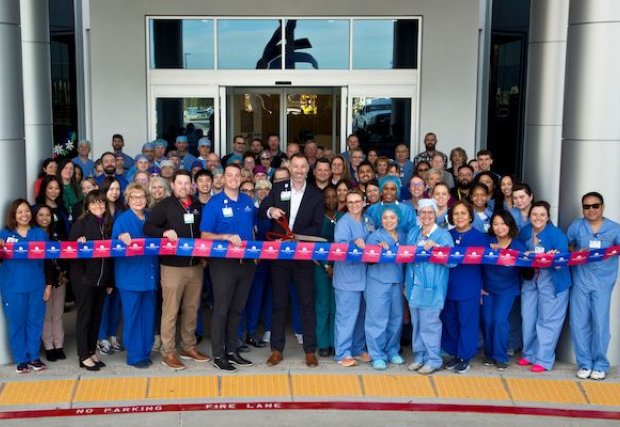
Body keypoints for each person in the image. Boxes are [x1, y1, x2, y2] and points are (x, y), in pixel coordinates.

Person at [258, 153, 324, 367]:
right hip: (281, 256)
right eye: (295, 166)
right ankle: (276, 350)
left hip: (303, 255)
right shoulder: (278, 189)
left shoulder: (316, 194)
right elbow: (261, 209)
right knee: (279, 303)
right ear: (290, 168)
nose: (299, 170)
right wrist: (270, 210)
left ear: (308, 169)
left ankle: (310, 350)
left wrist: (297, 238)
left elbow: (317, 226)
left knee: (307, 303)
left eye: (303, 166)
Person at [144, 170, 210, 370]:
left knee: (191, 310)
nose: (183, 187)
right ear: (172, 185)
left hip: (195, 266)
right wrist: (164, 232)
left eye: (186, 183)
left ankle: (188, 347)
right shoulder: (164, 206)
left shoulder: (198, 205)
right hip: (172, 267)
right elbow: (148, 228)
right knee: (171, 311)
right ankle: (168, 352)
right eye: (179, 183)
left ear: (192, 186)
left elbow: (203, 232)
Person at [200, 164, 257, 371]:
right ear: (223, 178)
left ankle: (232, 350)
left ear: (241, 178)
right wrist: (225, 237)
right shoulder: (214, 204)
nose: (234, 178)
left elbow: (251, 229)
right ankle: (218, 354)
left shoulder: (247, 201)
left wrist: (255, 255)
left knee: (237, 309)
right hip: (223, 264)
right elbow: (205, 235)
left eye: (237, 175)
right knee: (222, 309)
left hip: (246, 264)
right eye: (229, 175)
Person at [568, 192, 620, 380]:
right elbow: (568, 246)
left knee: (600, 323)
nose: (591, 210)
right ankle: (584, 363)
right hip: (581, 280)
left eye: (595, 206)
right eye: (586, 207)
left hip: (603, 283)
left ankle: (600, 363)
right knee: (578, 323)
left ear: (602, 207)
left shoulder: (614, 229)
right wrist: (576, 252)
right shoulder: (577, 226)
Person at [518, 201, 571, 372]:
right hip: (531, 279)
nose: (538, 218)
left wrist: (553, 258)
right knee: (528, 316)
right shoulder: (525, 231)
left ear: (548, 217)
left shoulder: (557, 235)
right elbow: (518, 252)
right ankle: (529, 354)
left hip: (553, 281)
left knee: (548, 320)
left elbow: (561, 264)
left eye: (542, 215)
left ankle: (543, 359)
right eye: (534, 214)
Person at [0, 200, 50, 373]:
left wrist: (48, 285)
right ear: (13, 215)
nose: (24, 215)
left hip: (36, 285)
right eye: (20, 212)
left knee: (35, 322)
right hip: (12, 287)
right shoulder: (4, 235)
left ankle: (34, 357)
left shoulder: (39, 234)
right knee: (16, 323)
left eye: (27, 211)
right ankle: (21, 359)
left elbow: (48, 262)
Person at [406, 199, 454, 375]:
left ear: (435, 215)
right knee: (417, 323)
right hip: (413, 286)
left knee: (430, 324)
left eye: (430, 213)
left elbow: (452, 262)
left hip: (432, 288)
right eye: (423, 212)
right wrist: (406, 284)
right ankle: (419, 357)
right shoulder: (413, 233)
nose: (426, 216)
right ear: (418, 214)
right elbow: (407, 259)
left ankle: (433, 359)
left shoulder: (442, 236)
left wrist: (437, 249)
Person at [112, 183, 158, 368]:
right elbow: (113, 247)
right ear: (128, 200)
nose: (138, 200)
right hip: (130, 278)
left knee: (148, 316)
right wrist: (119, 238)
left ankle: (145, 351)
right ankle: (135, 355)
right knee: (132, 317)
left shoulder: (151, 218)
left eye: (141, 196)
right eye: (134, 197)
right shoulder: (122, 220)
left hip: (150, 275)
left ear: (147, 199)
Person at [69, 190, 114, 371]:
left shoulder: (108, 224)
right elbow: (70, 253)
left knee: (96, 317)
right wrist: (78, 245)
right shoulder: (80, 224)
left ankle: (91, 350)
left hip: (102, 279)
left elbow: (111, 256)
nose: (98, 206)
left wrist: (110, 281)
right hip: (84, 279)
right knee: (85, 317)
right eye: (94, 203)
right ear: (87, 206)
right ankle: (83, 355)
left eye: (101, 202)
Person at [442, 200, 488, 374]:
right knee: (450, 321)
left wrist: (482, 286)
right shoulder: (447, 235)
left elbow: (486, 264)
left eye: (463, 213)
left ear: (470, 216)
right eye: (456, 213)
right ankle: (454, 353)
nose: (459, 216)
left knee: (467, 322)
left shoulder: (479, 237)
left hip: (469, 286)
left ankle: (464, 357)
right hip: (449, 285)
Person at [481, 211, 526, 370]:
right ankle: (489, 354)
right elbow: (476, 264)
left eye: (503, 224)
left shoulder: (518, 244)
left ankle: (500, 356)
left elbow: (527, 270)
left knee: (500, 321)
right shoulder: (486, 242)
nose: (499, 228)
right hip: (487, 288)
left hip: (508, 289)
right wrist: (479, 286)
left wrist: (528, 258)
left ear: (509, 225)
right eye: (495, 224)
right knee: (487, 321)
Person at [364, 205, 405, 370]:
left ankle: (392, 350)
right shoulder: (375, 237)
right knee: (377, 320)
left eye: (392, 217)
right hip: (377, 283)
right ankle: (377, 354)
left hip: (397, 282)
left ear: (398, 219)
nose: (389, 221)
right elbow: (369, 260)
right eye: (385, 218)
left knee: (396, 318)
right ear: (380, 220)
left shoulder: (403, 236)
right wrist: (379, 252)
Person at [333, 190, 371, 367]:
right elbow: (339, 249)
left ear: (364, 203)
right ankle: (342, 353)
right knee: (346, 316)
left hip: (366, 278)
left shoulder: (367, 221)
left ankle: (357, 348)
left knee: (361, 316)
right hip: (347, 279)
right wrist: (353, 244)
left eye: (357, 201)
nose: (354, 205)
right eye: (350, 202)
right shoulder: (343, 223)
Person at [35, 205, 69, 362]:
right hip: (41, 280)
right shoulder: (34, 235)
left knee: (58, 314)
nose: (44, 218)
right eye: (41, 215)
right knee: (46, 315)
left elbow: (66, 255)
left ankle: (59, 345)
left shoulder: (58, 234)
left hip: (59, 279)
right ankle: (49, 346)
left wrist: (64, 273)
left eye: (47, 215)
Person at [315, 186, 343, 357]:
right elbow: (314, 244)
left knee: (337, 306)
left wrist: (335, 264)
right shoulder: (317, 218)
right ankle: (323, 342)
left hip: (340, 266)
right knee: (323, 304)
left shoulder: (343, 217)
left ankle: (335, 342)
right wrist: (326, 265)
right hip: (320, 266)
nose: (331, 200)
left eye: (334, 197)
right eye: (328, 197)